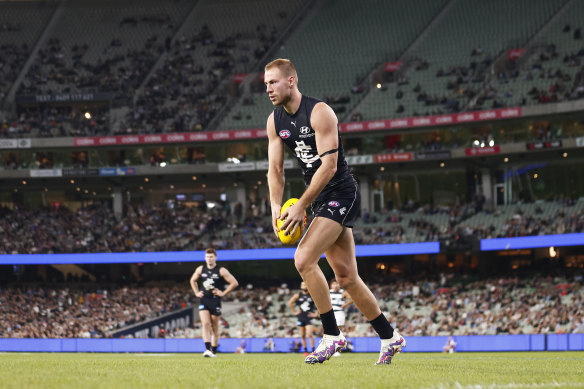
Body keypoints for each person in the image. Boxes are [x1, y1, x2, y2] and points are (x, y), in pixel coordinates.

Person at [265, 58, 405, 365]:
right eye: (266, 84)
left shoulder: (320, 112)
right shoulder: (274, 121)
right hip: (320, 200)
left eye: (273, 82)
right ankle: (389, 337)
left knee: (303, 258)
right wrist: (276, 208)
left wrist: (301, 204)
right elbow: (275, 169)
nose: (269, 89)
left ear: (291, 80)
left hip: (342, 191)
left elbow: (328, 166)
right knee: (346, 277)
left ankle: (332, 335)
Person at [190, 248, 239, 358]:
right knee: (205, 324)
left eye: (211, 256)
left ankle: (213, 351)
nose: (209, 259)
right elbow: (192, 280)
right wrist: (196, 292)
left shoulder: (221, 270)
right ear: (205, 258)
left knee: (214, 327)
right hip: (204, 299)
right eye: (207, 257)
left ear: (215, 257)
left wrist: (223, 293)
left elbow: (234, 283)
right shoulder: (201, 269)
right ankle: (207, 349)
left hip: (215, 300)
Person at [288, 281, 317, 356]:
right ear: (301, 287)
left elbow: (319, 303)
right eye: (303, 284)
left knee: (310, 334)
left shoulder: (312, 295)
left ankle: (314, 351)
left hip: (309, 317)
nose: (304, 286)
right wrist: (295, 312)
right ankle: (306, 351)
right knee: (302, 335)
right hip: (300, 317)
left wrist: (316, 314)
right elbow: (290, 303)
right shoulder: (298, 295)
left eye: (306, 284)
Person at [329, 278, 353, 356]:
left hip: (339, 312)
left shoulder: (343, 292)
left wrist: (345, 304)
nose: (335, 285)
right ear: (331, 285)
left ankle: (337, 350)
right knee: (330, 331)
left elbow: (352, 299)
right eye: (334, 284)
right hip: (331, 313)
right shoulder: (328, 292)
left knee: (338, 331)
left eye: (337, 283)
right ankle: (331, 349)